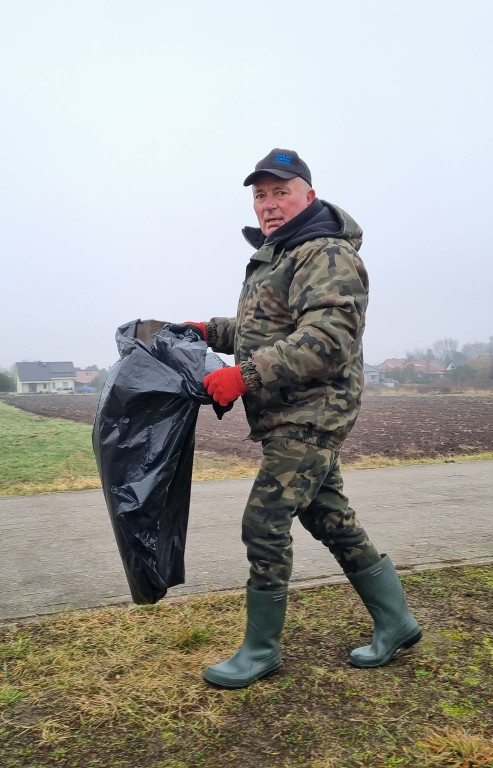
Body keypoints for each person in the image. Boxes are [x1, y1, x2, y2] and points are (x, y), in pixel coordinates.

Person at [185, 149, 421, 689]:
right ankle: (397, 621)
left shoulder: (326, 253)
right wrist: (206, 329)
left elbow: (326, 340)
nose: (268, 204)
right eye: (260, 195)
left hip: (312, 414)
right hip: (288, 414)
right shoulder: (282, 254)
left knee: (264, 521)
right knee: (330, 519)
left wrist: (242, 376)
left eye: (280, 192)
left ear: (307, 196)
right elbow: (265, 328)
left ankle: (260, 651)